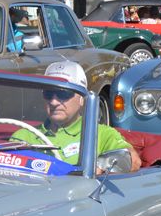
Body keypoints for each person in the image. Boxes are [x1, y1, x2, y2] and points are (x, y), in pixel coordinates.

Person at [11, 61, 140, 172]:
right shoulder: (23, 136)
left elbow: (133, 161)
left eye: (63, 94)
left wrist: (102, 168)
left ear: (81, 99)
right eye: (49, 94)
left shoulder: (100, 134)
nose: (54, 102)